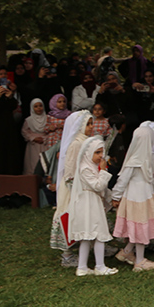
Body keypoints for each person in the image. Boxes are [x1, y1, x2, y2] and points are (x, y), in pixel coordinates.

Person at [110, 125, 154, 272]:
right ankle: (139, 261)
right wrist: (116, 196)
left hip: (144, 197)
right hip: (136, 199)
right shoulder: (135, 160)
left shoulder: (144, 158)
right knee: (140, 228)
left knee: (139, 227)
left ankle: (127, 252)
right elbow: (122, 180)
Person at [48, 110, 93, 267]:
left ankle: (91, 245)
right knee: (70, 216)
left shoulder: (86, 141)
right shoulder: (76, 144)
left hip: (85, 185)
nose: (91, 127)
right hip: (74, 187)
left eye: (92, 123)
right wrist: (76, 187)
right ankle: (67, 254)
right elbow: (70, 170)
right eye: (88, 124)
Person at [67, 136, 117, 276]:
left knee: (89, 235)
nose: (101, 156)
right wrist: (103, 171)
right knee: (98, 233)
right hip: (88, 203)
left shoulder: (91, 167)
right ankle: (99, 266)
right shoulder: (85, 168)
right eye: (97, 152)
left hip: (91, 202)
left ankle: (82, 267)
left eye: (102, 152)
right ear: (88, 153)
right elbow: (98, 185)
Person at [21, 98, 50, 175]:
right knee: (33, 163)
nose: (39, 108)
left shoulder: (48, 118)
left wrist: (45, 138)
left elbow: (52, 130)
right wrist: (33, 138)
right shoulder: (29, 120)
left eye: (40, 106)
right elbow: (24, 131)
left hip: (45, 144)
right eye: (36, 106)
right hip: (33, 145)